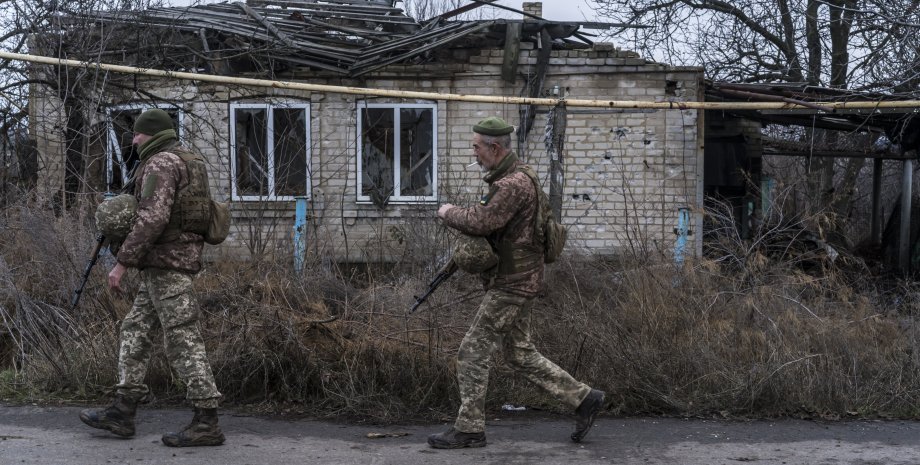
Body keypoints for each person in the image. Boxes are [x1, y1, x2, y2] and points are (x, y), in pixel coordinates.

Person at [428, 117, 605, 449]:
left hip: (513, 282)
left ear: (495, 148)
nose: (474, 152)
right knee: (519, 354)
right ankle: (584, 399)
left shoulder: (512, 184)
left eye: (477, 146)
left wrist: (448, 211)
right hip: (521, 278)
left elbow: (482, 221)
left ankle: (469, 429)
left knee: (471, 351)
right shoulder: (520, 176)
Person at [79, 108, 225, 447]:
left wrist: (121, 263)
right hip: (167, 263)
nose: (133, 139)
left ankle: (207, 421)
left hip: (167, 264)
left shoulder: (161, 163)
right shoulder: (190, 160)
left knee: (182, 339)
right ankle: (122, 410)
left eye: (138, 134)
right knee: (136, 329)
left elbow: (152, 218)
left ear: (153, 134)